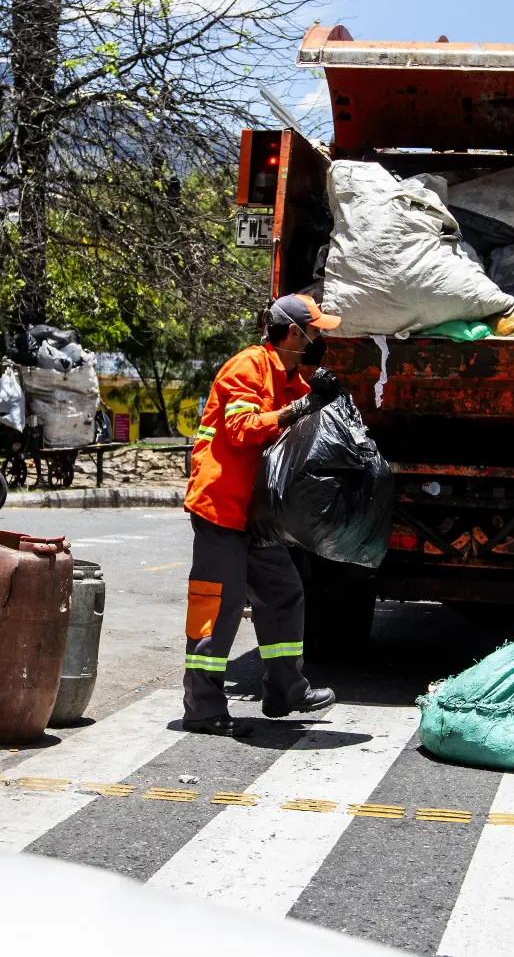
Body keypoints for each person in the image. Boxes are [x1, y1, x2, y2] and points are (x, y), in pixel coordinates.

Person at [181, 293, 343, 737]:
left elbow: (306, 427)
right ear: (294, 333)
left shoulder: (291, 379)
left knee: (283, 592)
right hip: (221, 508)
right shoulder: (247, 367)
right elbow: (240, 430)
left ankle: (287, 689)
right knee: (220, 607)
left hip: (255, 515)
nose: (320, 339)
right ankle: (202, 708)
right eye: (317, 332)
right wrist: (302, 408)